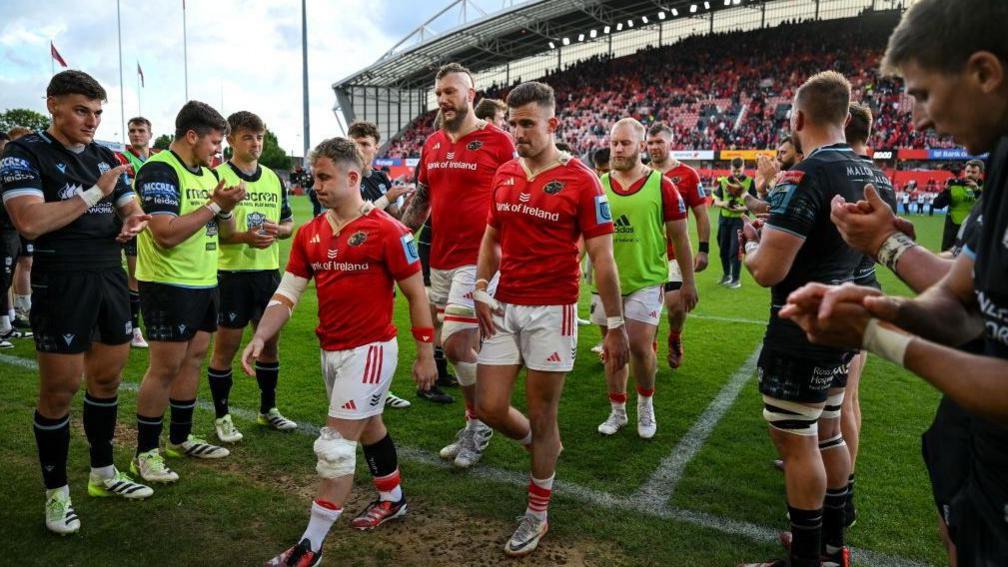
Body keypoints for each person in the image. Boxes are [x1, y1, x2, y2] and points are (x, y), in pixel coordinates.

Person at [781, 2, 1008, 563]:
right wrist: (876, 297)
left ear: (984, 73)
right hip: (983, 449)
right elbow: (965, 302)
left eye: (925, 94)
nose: (921, 120)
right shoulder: (1001, 162)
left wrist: (878, 334)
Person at [246, 137, 436, 566]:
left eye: (324, 177)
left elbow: (417, 296)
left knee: (334, 447)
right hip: (330, 348)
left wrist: (425, 352)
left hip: (369, 351)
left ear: (354, 178)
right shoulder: (311, 233)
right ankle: (393, 498)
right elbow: (287, 293)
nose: (316, 184)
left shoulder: (390, 231)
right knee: (368, 426)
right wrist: (262, 335)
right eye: (315, 176)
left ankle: (310, 546)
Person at [472, 81, 629, 557]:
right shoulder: (502, 174)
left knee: (543, 414)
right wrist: (480, 288)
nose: (517, 132)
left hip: (552, 310)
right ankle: (543, 448)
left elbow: (603, 258)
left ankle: (537, 512)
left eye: (527, 123)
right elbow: (491, 236)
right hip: (504, 305)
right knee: (490, 406)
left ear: (552, 124)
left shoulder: (583, 180)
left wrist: (616, 324)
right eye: (512, 123)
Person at [0, 70, 154, 535]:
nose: (92, 120)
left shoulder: (105, 154)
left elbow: (129, 201)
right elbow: (29, 221)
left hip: (109, 276)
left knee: (107, 380)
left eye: (98, 112)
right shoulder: (23, 155)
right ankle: (56, 493)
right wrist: (95, 193)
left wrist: (133, 220)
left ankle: (104, 473)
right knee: (60, 391)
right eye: (82, 110)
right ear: (53, 106)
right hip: (61, 281)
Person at [738, 71, 868, 567]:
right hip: (844, 323)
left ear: (799, 118)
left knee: (799, 444)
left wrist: (752, 243)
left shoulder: (805, 174)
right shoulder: (872, 172)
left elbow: (768, 271)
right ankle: (835, 550)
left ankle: (806, 561)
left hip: (800, 328)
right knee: (830, 432)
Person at [400, 62, 516, 468]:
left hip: (479, 259)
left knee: (454, 343)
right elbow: (422, 199)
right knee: (461, 349)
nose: (444, 99)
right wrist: (398, 237)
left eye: (451, 92)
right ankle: (477, 419)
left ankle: (481, 422)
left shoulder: (499, 142)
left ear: (471, 93)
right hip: (442, 260)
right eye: (439, 94)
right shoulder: (431, 145)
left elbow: (519, 193)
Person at [131, 101, 245, 484]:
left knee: (194, 360)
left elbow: (224, 234)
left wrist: (226, 207)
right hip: (167, 283)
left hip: (204, 281)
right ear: (191, 136)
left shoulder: (204, 174)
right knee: (164, 368)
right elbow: (165, 234)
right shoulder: (160, 169)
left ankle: (180, 438)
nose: (219, 151)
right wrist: (215, 204)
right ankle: (145, 453)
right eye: (215, 142)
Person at [593, 118, 696, 439]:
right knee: (613, 349)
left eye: (625, 143)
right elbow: (585, 237)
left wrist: (689, 282)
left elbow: (680, 238)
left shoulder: (662, 184)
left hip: (648, 279)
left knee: (638, 345)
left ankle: (645, 404)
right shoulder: (599, 184)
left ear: (640, 146)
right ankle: (618, 411)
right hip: (606, 283)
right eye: (614, 143)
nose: (618, 149)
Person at [205, 111, 297, 445]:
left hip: (267, 274)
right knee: (225, 349)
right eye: (247, 137)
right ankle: (222, 416)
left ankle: (268, 409)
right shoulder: (217, 177)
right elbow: (211, 230)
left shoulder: (273, 178)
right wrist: (243, 237)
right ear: (230, 139)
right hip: (230, 275)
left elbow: (287, 224)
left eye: (259, 137)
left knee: (270, 344)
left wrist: (279, 231)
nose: (255, 143)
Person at [349, 120, 421, 409]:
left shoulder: (380, 178)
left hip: (381, 265)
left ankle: (380, 389)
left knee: (381, 331)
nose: (359, 148)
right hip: (351, 264)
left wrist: (413, 204)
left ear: (376, 148)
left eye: (365, 143)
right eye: (354, 142)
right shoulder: (345, 177)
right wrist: (385, 199)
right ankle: (354, 389)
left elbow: (397, 223)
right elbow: (349, 220)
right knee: (354, 333)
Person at [646, 120, 708, 369]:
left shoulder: (687, 175)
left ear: (671, 143)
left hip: (674, 255)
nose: (654, 147)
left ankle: (674, 337)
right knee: (647, 312)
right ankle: (650, 352)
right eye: (650, 143)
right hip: (647, 255)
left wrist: (704, 249)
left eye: (659, 142)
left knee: (675, 307)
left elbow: (702, 214)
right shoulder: (642, 173)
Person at [115, 116, 159, 348]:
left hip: (157, 223)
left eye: (141, 130)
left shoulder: (159, 158)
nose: (136, 134)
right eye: (132, 131)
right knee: (135, 276)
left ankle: (153, 322)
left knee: (156, 274)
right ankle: (134, 329)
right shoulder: (122, 159)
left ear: (150, 134)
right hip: (134, 221)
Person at [712, 157, 754, 288]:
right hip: (724, 220)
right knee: (723, 249)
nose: (736, 173)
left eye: (739, 171)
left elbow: (754, 204)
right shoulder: (723, 181)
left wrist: (741, 208)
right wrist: (725, 204)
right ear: (730, 168)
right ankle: (727, 275)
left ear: (743, 168)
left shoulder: (750, 182)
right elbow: (717, 201)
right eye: (734, 171)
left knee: (735, 250)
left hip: (740, 220)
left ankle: (736, 279)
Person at [933, 159, 984, 251]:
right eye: (968, 171)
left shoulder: (985, 187)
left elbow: (988, 206)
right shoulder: (954, 185)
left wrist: (977, 190)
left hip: (975, 231)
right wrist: (945, 191)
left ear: (980, 174)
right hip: (953, 231)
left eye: (974, 172)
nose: (970, 174)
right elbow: (937, 204)